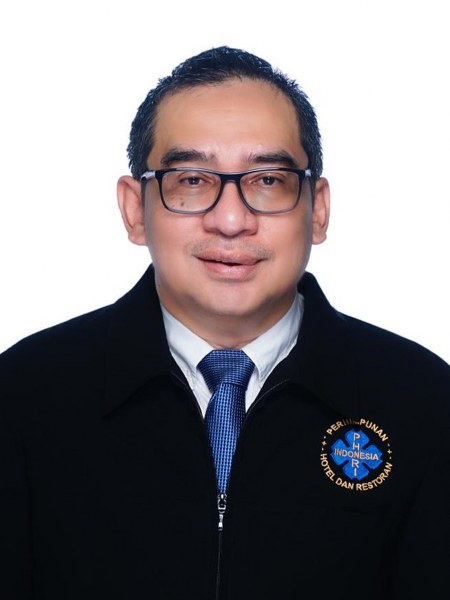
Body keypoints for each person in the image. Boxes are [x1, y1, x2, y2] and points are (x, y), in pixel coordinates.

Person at [1, 46, 449, 600]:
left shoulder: (425, 403)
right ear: (135, 210)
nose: (231, 220)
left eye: (268, 180)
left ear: (318, 209)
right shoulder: (23, 396)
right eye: (191, 180)